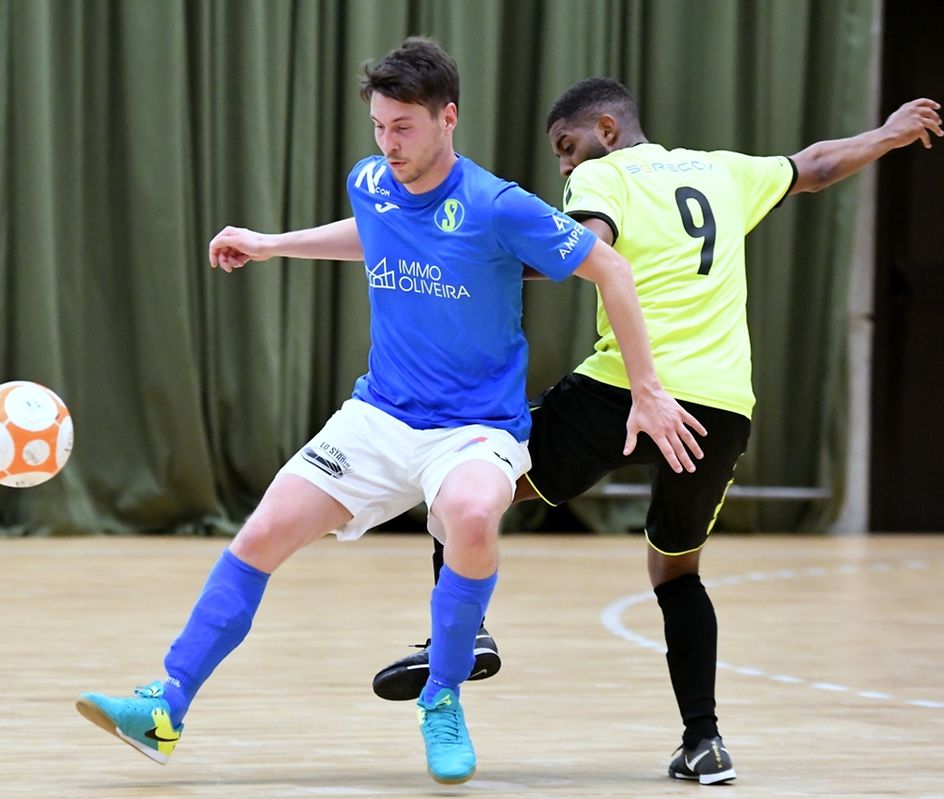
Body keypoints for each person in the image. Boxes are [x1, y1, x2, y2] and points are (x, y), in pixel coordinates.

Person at [76, 43, 703, 785]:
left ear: (449, 117)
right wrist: (273, 245)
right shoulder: (371, 181)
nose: (388, 144)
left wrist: (647, 389)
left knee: (472, 514)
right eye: (378, 126)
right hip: (379, 416)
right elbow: (375, 236)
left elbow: (612, 269)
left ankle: (441, 696)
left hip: (475, 429)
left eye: (403, 127)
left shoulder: (497, 205)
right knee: (262, 531)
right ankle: (167, 703)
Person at [370, 77, 942, 785]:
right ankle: (704, 742)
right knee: (676, 569)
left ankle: (461, 637)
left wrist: (468, 258)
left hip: (629, 391)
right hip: (723, 408)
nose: (566, 168)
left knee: (464, 494)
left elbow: (583, 247)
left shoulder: (607, 174)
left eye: (567, 148)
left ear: (606, 130)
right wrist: (886, 134)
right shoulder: (722, 170)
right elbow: (816, 166)